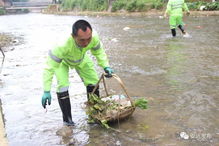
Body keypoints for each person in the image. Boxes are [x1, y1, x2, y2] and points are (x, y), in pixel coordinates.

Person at [41, 20, 114, 126]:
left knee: (93, 82)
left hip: (81, 58)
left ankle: (94, 115)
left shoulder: (93, 37)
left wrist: (106, 66)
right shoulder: (62, 45)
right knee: (63, 87)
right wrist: (46, 90)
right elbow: (49, 68)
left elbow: (99, 52)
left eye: (88, 39)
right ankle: (68, 121)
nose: (86, 43)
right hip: (63, 62)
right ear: (73, 36)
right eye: (82, 40)